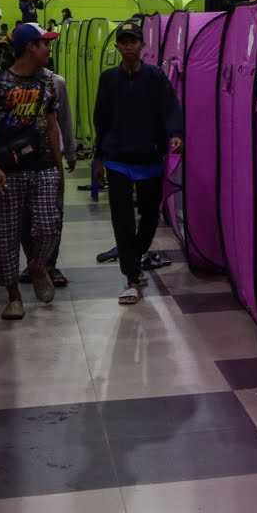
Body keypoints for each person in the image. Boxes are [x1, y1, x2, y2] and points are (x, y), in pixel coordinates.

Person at [93, 20, 183, 304]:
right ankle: (131, 277)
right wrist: (99, 154)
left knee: (150, 215)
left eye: (134, 41)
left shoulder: (155, 77)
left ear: (142, 46)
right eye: (124, 41)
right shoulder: (108, 79)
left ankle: (135, 252)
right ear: (117, 46)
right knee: (122, 219)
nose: (129, 46)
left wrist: (175, 134)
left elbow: (171, 107)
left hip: (149, 158)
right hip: (117, 159)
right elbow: (101, 118)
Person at [0, 23, 63, 320]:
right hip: (8, 169)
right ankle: (13, 296)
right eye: (45, 44)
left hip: (43, 166)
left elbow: (52, 125)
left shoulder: (48, 84)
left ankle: (37, 265)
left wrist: (59, 163)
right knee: (7, 234)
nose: (48, 49)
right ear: (30, 47)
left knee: (48, 224)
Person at [20, 64, 75, 288]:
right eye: (42, 44)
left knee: (53, 215)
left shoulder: (56, 83)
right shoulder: (6, 82)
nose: (47, 49)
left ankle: (49, 265)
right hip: (19, 161)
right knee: (25, 217)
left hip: (50, 158)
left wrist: (70, 151)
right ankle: (34, 263)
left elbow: (64, 120)